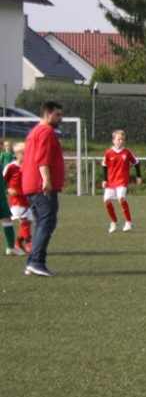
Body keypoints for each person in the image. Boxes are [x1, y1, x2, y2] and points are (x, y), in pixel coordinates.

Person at [21, 101, 65, 277]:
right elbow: (42, 158)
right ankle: (37, 262)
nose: (60, 118)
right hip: (41, 186)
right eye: (57, 114)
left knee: (42, 223)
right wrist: (46, 179)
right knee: (47, 222)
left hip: (31, 184)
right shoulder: (46, 131)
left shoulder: (34, 132)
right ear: (47, 115)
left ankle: (32, 262)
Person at [102, 129, 142, 233]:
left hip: (122, 180)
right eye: (119, 139)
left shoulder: (127, 152)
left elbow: (136, 162)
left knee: (121, 197)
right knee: (106, 200)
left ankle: (128, 222)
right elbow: (104, 165)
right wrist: (104, 179)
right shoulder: (108, 153)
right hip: (111, 181)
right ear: (113, 140)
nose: (121, 141)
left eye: (123, 140)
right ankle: (115, 222)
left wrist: (138, 176)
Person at [4, 143, 32, 254]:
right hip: (15, 198)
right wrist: (8, 189)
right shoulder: (11, 167)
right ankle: (30, 244)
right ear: (17, 154)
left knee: (28, 221)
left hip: (27, 197)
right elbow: (2, 181)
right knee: (23, 219)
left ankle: (17, 243)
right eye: (24, 153)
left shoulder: (29, 166)